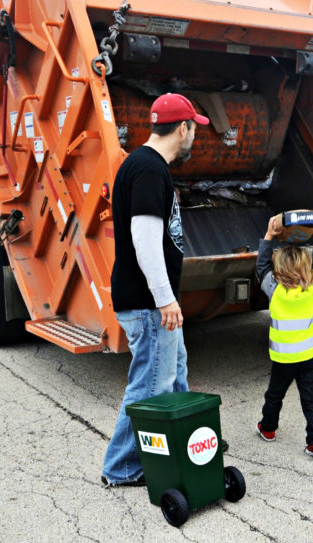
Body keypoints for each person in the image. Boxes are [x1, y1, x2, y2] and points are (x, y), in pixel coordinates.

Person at [102, 93, 210, 486]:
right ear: (182, 129)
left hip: (155, 302)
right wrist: (165, 298)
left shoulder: (143, 165)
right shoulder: (149, 170)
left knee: (175, 374)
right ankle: (123, 468)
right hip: (149, 303)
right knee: (150, 386)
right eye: (193, 128)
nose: (193, 135)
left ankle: (186, 443)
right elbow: (145, 239)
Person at [255, 216, 313, 458]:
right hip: (308, 357)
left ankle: (267, 429)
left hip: (283, 358)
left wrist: (269, 235)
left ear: (278, 270)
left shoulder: (274, 291)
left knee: (274, 395)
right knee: (312, 400)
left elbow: (261, 266)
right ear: (306, 269)